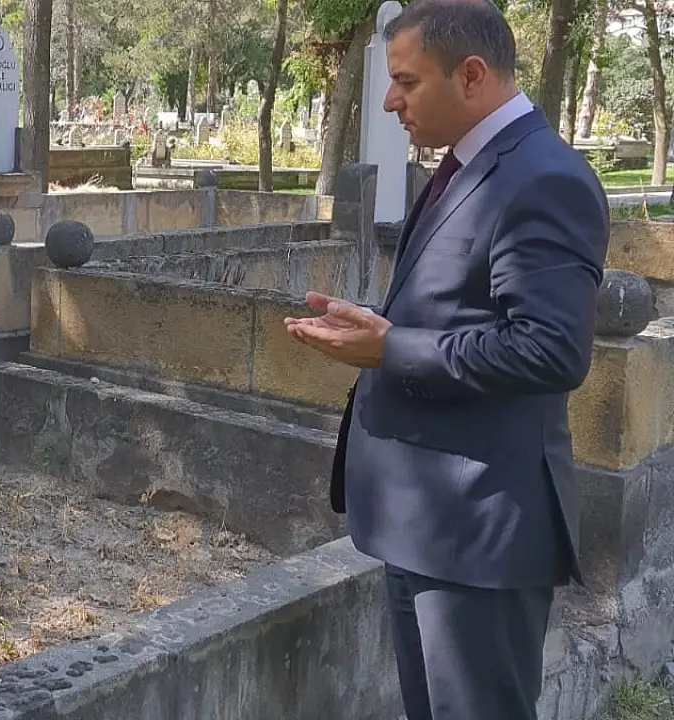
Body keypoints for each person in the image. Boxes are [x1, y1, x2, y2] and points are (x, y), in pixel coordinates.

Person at [283, 0, 610, 718]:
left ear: (471, 76)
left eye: (406, 81)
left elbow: (551, 348)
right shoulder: (470, 165)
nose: (390, 101)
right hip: (428, 521)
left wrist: (389, 347)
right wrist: (378, 325)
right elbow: (463, 308)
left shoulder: (542, 178)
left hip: (479, 532)